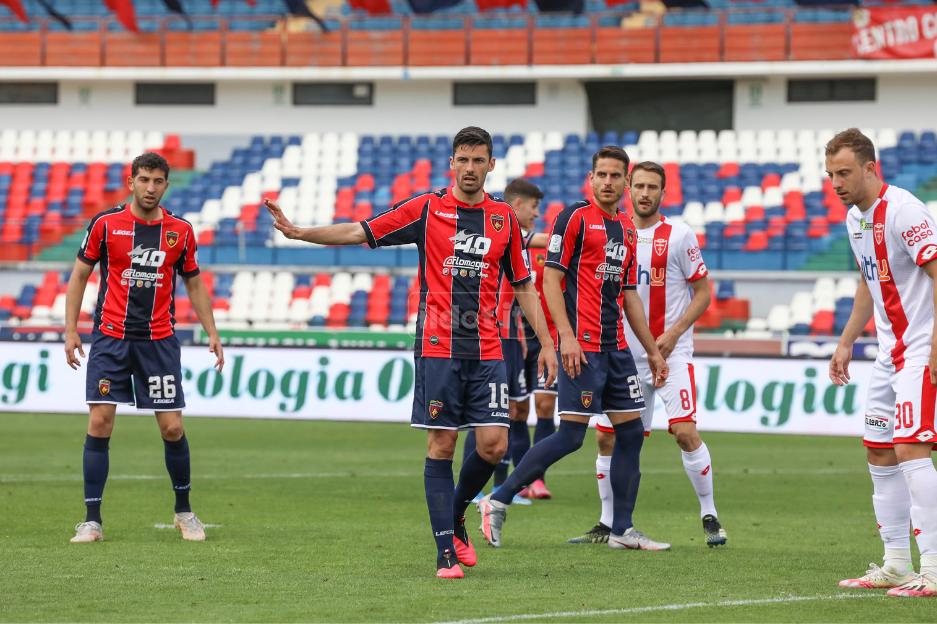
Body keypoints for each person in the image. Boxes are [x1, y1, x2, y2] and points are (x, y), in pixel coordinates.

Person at [263, 126, 558, 579]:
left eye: (479, 161)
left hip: (487, 346)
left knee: (494, 444)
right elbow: (360, 231)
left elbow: (522, 285)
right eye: (463, 159)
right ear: (452, 163)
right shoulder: (427, 209)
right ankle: (445, 553)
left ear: (491, 166)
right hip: (438, 345)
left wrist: (549, 345)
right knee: (442, 443)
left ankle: (456, 513)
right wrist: (301, 232)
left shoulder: (503, 220)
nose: (470, 168)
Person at [478, 146, 669, 550]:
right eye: (602, 175)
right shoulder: (575, 218)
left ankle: (622, 529)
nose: (609, 183)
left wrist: (651, 350)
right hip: (582, 347)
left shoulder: (628, 230)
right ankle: (499, 498)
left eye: (617, 176)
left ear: (626, 182)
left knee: (632, 433)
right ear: (591, 177)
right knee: (570, 436)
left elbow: (630, 295)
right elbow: (550, 278)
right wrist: (564, 336)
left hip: (616, 347)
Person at [65, 152, 224, 544]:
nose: (150, 188)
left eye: (157, 181)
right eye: (144, 180)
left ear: (166, 185)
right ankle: (92, 520)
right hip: (111, 339)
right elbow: (80, 275)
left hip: (159, 342)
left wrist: (212, 331)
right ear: (131, 181)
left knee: (172, 428)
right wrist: (71, 330)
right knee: (100, 423)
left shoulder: (180, 231)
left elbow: (194, 283)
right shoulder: (106, 224)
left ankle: (185, 513)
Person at [567, 161, 727, 547]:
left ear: (662, 192)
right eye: (637, 185)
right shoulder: (612, 232)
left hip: (671, 354)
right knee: (607, 440)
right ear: (627, 188)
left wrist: (670, 337)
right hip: (622, 356)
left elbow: (703, 292)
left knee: (685, 432)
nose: (643, 193)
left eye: (651, 187)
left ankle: (710, 514)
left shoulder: (679, 235)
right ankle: (607, 524)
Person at [829, 128, 937, 598]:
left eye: (845, 172)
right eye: (831, 174)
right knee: (879, 450)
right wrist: (846, 341)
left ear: (871, 168)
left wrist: (935, 348)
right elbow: (867, 284)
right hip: (886, 354)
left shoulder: (905, 210)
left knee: (912, 450)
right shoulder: (855, 219)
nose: (836, 183)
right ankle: (896, 562)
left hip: (918, 350)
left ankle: (933, 567)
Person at [463, 178, 546, 506]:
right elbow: (546, 241)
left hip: (513, 337)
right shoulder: (509, 231)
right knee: (493, 412)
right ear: (515, 206)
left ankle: (500, 487)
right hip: (496, 336)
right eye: (533, 206)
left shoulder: (514, 240)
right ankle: (481, 489)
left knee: (512, 411)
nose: (537, 213)